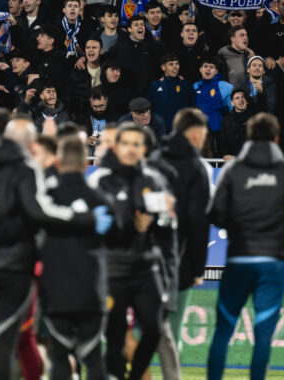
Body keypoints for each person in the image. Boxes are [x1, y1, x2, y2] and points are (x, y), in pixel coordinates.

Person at [0, 118, 105, 380]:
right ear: (31, 145)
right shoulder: (25, 170)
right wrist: (84, 218)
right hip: (12, 268)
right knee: (3, 346)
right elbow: (39, 211)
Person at [207, 112, 284, 380]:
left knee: (223, 330)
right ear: (277, 138)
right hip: (272, 263)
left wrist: (241, 222)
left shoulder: (233, 169)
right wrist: (281, 223)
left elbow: (215, 215)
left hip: (238, 260)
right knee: (263, 334)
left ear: (248, 136)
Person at [88, 123, 174, 380]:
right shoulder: (101, 181)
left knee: (154, 330)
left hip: (146, 267)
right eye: (126, 143)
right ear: (116, 147)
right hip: (112, 267)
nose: (130, 149)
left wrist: (164, 217)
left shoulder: (154, 180)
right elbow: (94, 228)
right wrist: (130, 227)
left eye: (136, 144)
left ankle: (135, 376)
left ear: (143, 149)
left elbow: (167, 229)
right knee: (115, 335)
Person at [40, 135, 113, 380]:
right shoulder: (99, 198)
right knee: (93, 357)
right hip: (91, 290)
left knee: (60, 356)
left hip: (56, 291)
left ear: (58, 162)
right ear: (85, 164)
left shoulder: (45, 198)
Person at [150, 108, 213, 380]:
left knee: (141, 329)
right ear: (196, 133)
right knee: (172, 332)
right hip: (179, 259)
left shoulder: (153, 159)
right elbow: (198, 221)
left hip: (144, 257)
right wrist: (198, 268)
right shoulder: (197, 168)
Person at [146, 53, 195, 134]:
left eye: (177, 64)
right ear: (163, 67)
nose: (175, 67)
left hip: (181, 130)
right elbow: (148, 107)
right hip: (161, 130)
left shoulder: (186, 84)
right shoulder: (155, 85)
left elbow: (192, 107)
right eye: (171, 64)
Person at [193, 56, 232, 156]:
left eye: (211, 67)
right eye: (205, 66)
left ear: (216, 71)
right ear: (200, 69)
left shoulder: (226, 87)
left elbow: (232, 110)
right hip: (199, 133)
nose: (208, 69)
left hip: (219, 134)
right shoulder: (195, 86)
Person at [219, 89, 256, 160]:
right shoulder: (226, 120)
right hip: (231, 161)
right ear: (232, 103)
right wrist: (226, 155)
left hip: (250, 160)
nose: (241, 100)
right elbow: (223, 141)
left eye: (243, 97)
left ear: (247, 101)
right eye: (237, 98)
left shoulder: (254, 119)